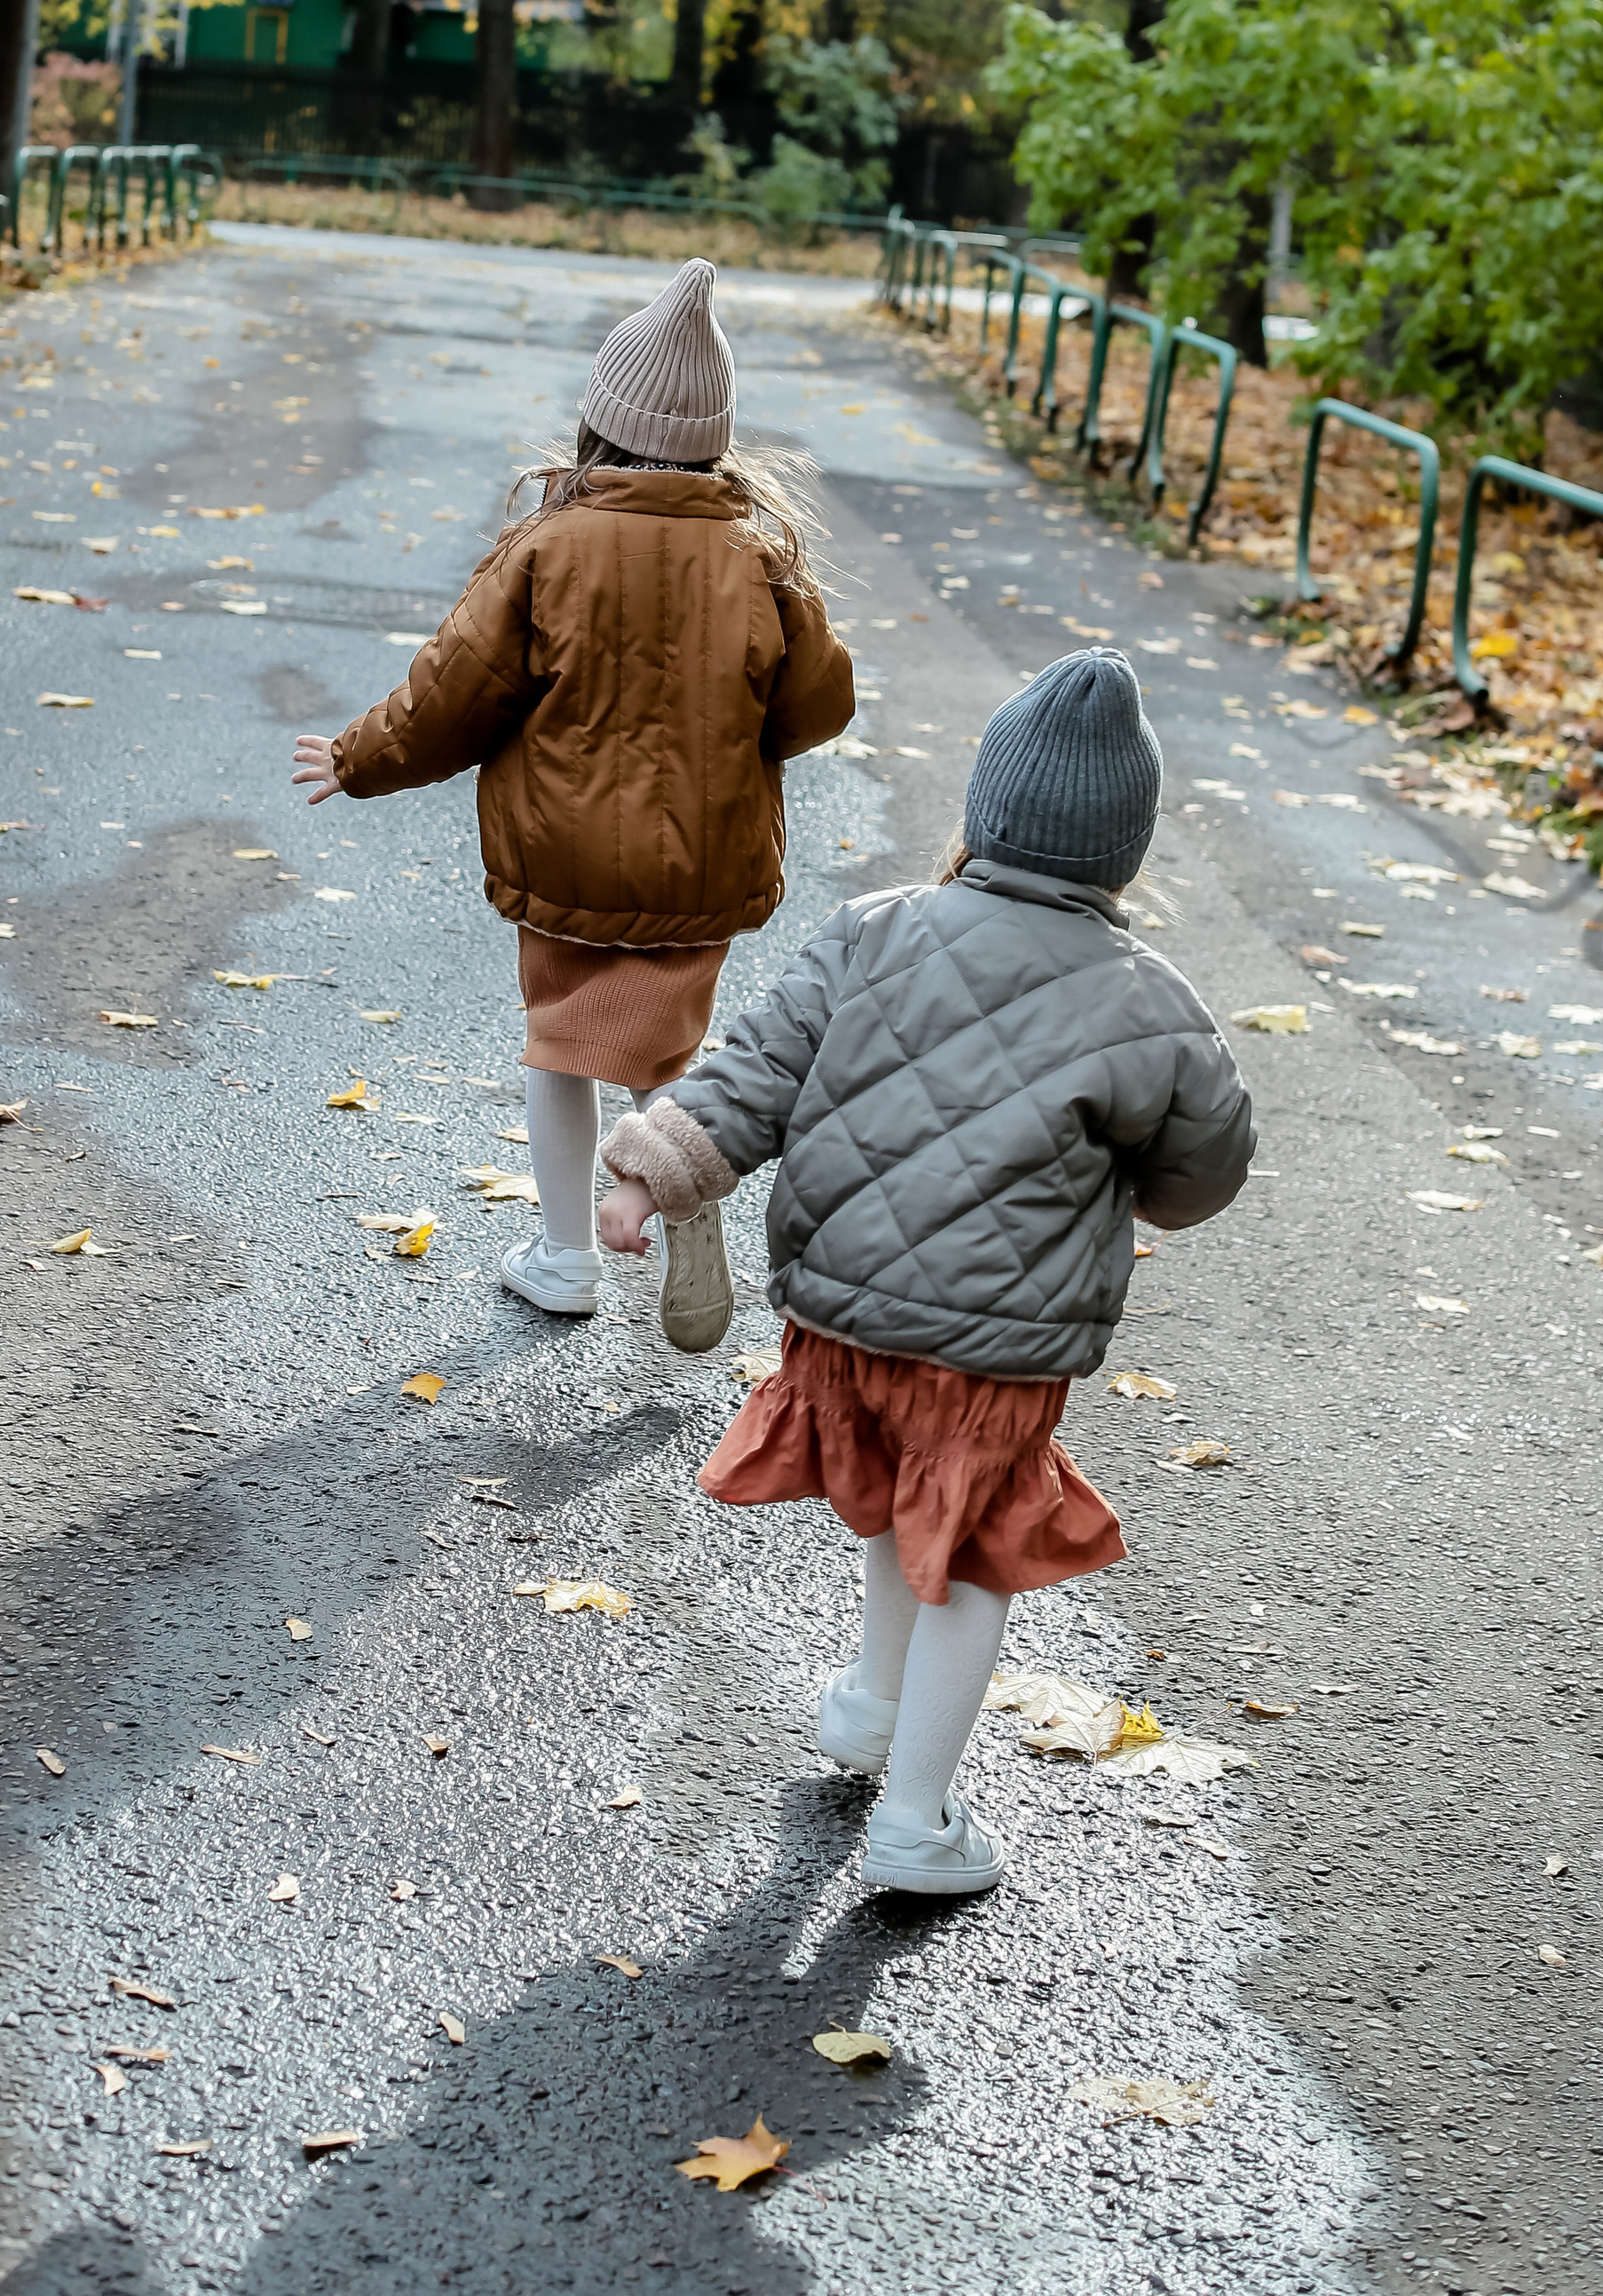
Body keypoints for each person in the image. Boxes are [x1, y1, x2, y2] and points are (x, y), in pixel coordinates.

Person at [596, 646, 1253, 1896]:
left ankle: (866, 1703)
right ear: (1126, 851)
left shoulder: (871, 934)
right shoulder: (1149, 1003)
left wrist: (646, 1174)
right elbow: (1203, 1169)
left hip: (840, 1319)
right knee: (968, 1552)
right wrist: (1138, 1181)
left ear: (984, 813)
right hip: (996, 1351)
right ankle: (915, 1817)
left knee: (909, 1507)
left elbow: (750, 1078)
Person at [291, 257, 854, 1353]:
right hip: (704, 864)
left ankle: (564, 1256)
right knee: (666, 1053)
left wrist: (361, 758)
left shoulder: (548, 545)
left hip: (566, 863)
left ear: (600, 423)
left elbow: (452, 693)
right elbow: (818, 704)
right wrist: (740, 743)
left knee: (562, 1047)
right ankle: (682, 1189)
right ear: (716, 440)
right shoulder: (762, 560)